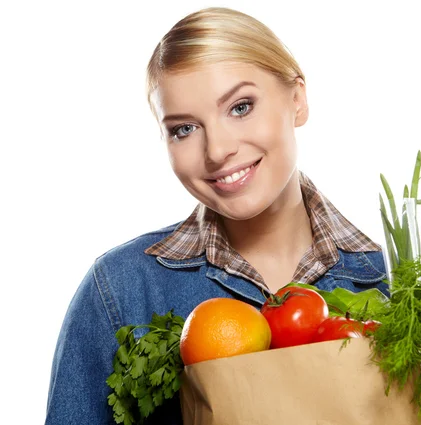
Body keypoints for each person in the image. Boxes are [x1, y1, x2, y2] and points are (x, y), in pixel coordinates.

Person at [45, 7, 390, 425]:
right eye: (184, 129)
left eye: (241, 107)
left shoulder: (395, 282)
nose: (216, 150)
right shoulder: (119, 291)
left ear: (297, 99)